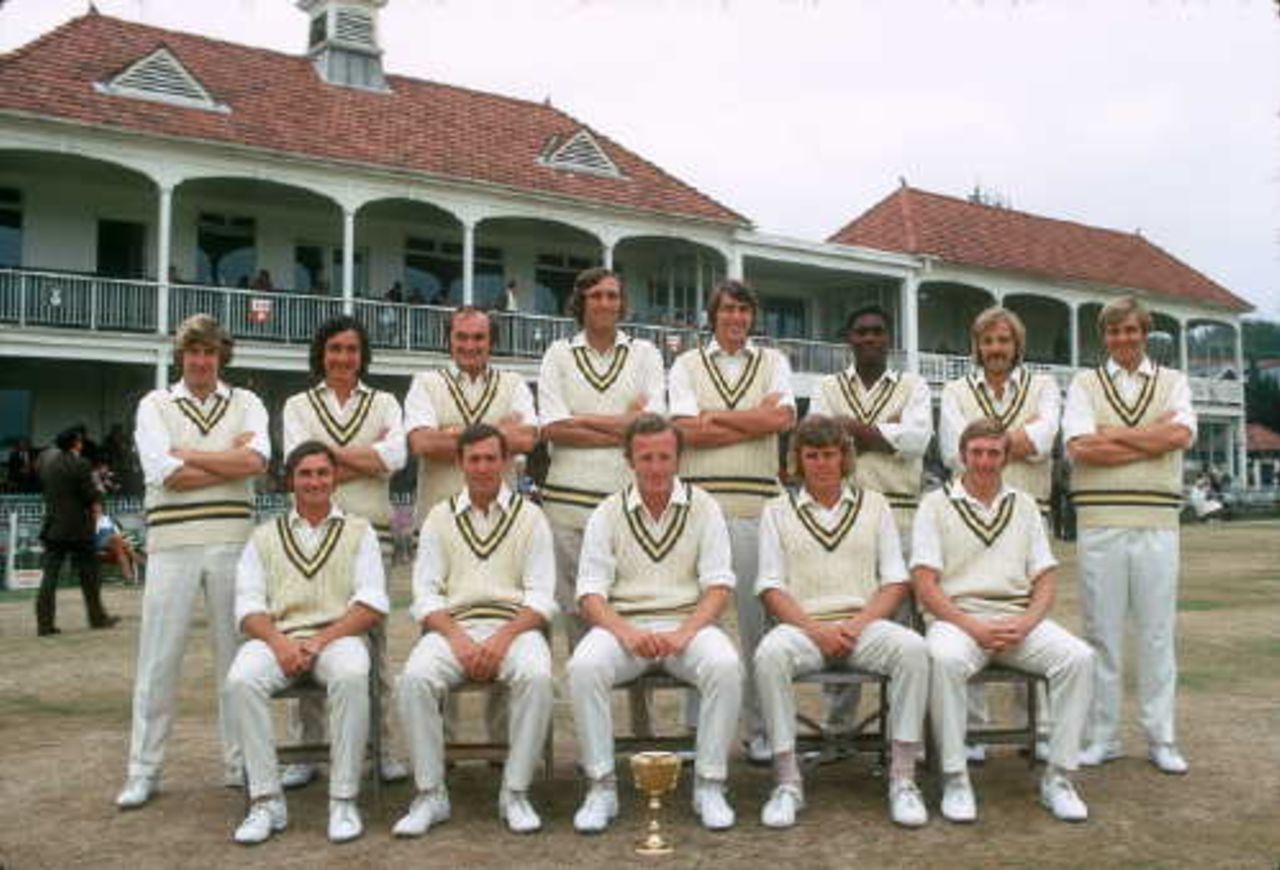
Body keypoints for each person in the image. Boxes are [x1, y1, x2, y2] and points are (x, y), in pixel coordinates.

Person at [117, 314, 270, 809]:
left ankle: (240, 762)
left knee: (238, 660)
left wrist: (191, 455)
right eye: (193, 352)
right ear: (182, 355)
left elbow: (257, 462)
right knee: (158, 660)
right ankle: (144, 770)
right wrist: (225, 460)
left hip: (232, 540)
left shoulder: (246, 402)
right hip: (172, 543)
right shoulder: (155, 404)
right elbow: (165, 473)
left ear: (220, 356)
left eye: (209, 352)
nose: (201, 361)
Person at [912, 418, 1094, 823]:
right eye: (976, 452)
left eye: (993, 453)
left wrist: (1027, 622)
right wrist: (970, 625)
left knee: (1078, 658)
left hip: (1016, 621)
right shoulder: (934, 504)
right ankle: (956, 779)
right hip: (957, 622)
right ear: (962, 456)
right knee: (942, 660)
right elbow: (925, 585)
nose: (984, 461)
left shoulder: (1025, 505)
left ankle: (1059, 778)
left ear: (1006, 457)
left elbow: (1045, 578)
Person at [567, 414, 742, 833]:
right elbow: (590, 594)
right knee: (583, 666)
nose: (656, 466)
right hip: (624, 630)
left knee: (725, 665)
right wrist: (628, 633)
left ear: (679, 458)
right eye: (646, 457)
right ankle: (601, 786)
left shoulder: (705, 507)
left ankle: (710, 783)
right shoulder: (607, 513)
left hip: (688, 627)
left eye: (665, 456)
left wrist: (684, 633)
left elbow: (718, 586)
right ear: (629, 460)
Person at [753, 416, 929, 828]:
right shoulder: (776, 511)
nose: (821, 464)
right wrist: (816, 629)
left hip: (862, 628)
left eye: (829, 455)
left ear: (844, 457)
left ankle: (903, 779)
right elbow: (770, 587)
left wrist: (856, 625)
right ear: (797, 460)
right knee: (767, 656)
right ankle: (787, 781)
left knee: (914, 650)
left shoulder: (876, 505)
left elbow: (895, 581)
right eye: (811, 456)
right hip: (803, 630)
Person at [393, 424, 556, 836]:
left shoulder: (531, 517)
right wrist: (461, 640)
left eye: (491, 458)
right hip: (454, 630)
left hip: (514, 630)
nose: (483, 467)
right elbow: (426, 596)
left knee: (537, 676)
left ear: (505, 462)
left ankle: (515, 792)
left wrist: (501, 640)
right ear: (460, 463)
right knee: (413, 679)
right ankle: (430, 794)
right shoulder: (437, 517)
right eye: (474, 459)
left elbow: (540, 597)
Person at [224, 441, 388, 844]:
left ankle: (343, 798)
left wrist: (319, 641)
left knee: (351, 673)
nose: (314, 481)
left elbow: (371, 603)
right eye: (305, 474)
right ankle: (266, 801)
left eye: (322, 473)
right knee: (242, 679)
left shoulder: (359, 531)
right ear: (290, 481)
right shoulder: (263, 536)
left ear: (334, 479)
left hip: (339, 636)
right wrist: (280, 643)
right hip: (278, 637)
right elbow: (248, 606)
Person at [1064, 295, 1196, 775]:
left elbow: (1179, 437)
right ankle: (1103, 736)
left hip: (1158, 521)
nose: (1123, 339)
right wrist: (1147, 437)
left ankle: (1161, 737)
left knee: (1157, 633)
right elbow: (1080, 448)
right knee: (1102, 634)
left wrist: (1111, 433)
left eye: (1131, 330)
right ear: (1105, 337)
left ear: (1145, 332)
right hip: (1099, 521)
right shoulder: (1084, 383)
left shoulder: (1174, 382)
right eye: (1114, 332)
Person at [280, 315, 409, 787]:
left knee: (374, 644)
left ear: (362, 355)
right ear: (322, 353)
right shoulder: (298, 404)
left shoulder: (385, 401)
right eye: (334, 348)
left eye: (351, 349)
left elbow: (394, 458)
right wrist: (365, 456)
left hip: (370, 533)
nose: (342, 358)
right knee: (304, 633)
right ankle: (304, 752)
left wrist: (329, 457)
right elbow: (299, 464)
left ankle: (383, 747)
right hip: (310, 534)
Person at [669, 279, 794, 762]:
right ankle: (696, 733)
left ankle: (762, 732)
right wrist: (750, 418)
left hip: (757, 508)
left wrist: (711, 418)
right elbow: (682, 432)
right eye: (727, 310)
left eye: (744, 310)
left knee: (757, 627)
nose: (736, 318)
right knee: (697, 623)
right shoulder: (686, 364)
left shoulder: (774, 362)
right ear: (712, 315)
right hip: (700, 511)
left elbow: (780, 421)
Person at [939, 306, 1061, 762]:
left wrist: (984, 447)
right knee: (967, 607)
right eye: (988, 341)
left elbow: (1046, 438)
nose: (996, 350)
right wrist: (1016, 443)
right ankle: (974, 729)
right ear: (977, 346)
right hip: (969, 517)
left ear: (1017, 346)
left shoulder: (1043, 385)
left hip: (1028, 515)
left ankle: (1041, 728)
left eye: (1004, 341)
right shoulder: (955, 390)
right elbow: (954, 453)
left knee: (1030, 617)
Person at [809, 303, 931, 734]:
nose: (869, 338)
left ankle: (899, 733)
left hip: (900, 516)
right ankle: (839, 729)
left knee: (901, 627)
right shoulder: (827, 385)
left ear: (889, 339)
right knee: (846, 615)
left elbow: (916, 441)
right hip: (844, 519)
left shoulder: (914, 385)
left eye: (877, 331)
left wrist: (852, 430)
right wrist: (886, 430)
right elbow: (819, 439)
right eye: (860, 332)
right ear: (849, 339)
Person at [35, 426, 119, 636]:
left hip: (54, 525)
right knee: (89, 576)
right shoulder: (81, 464)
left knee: (49, 578)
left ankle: (44, 624)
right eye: (80, 441)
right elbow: (89, 495)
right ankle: (97, 617)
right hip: (78, 529)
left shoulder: (47, 463)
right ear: (75, 443)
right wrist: (101, 491)